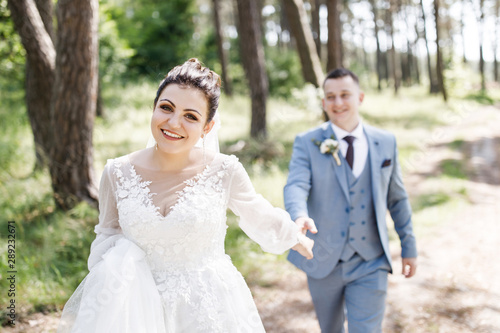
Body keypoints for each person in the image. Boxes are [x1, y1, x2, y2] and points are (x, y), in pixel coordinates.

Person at [57, 58, 314, 333]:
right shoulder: (117, 172)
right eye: (166, 108)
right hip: (136, 311)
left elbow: (256, 211)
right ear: (153, 109)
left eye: (191, 116)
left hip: (208, 309)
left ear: (207, 127)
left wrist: (295, 236)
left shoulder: (224, 170)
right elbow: (107, 235)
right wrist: (106, 299)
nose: (174, 122)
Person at [284, 68, 417, 333]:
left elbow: (397, 198)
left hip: (371, 260)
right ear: (323, 103)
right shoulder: (307, 142)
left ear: (360, 97)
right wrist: (299, 214)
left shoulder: (386, 142)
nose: (338, 103)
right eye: (330, 97)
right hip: (322, 257)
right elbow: (296, 184)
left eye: (345, 95)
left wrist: (408, 246)